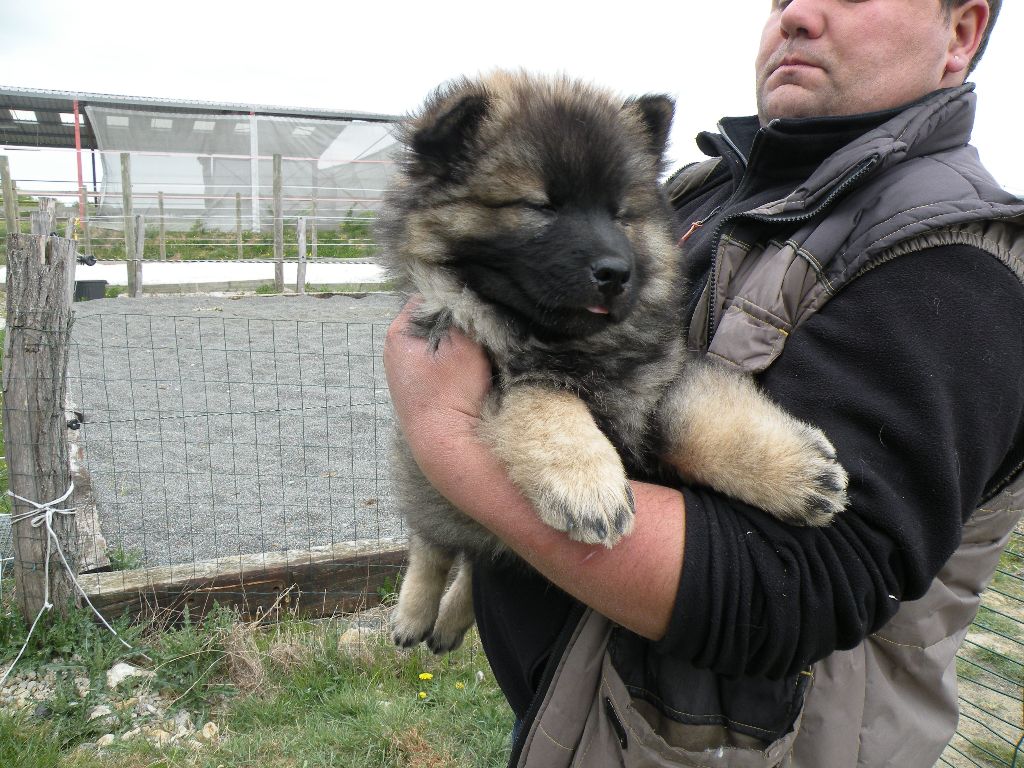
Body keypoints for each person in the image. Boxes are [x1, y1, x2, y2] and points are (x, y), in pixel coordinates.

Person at [383, 0, 1024, 765]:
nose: (800, 16)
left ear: (960, 31)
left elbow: (800, 585)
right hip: (584, 716)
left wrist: (447, 435)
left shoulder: (953, 261)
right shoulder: (705, 189)